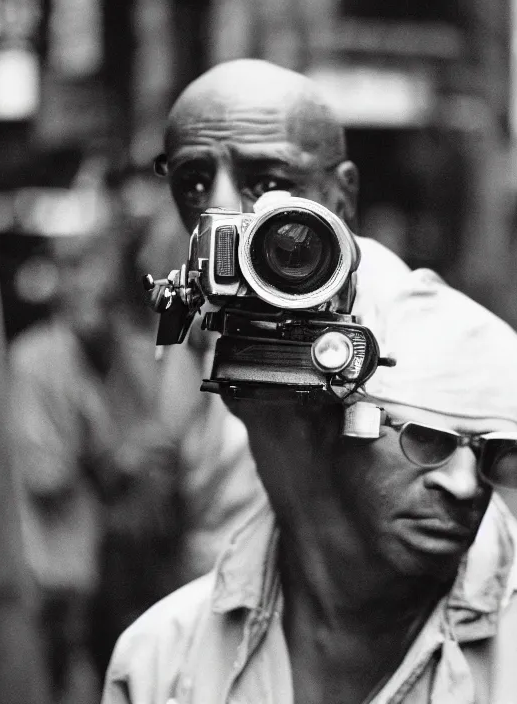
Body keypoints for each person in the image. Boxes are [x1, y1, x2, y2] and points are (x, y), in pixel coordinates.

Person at [103, 268, 517, 703]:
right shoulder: (163, 661)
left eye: (495, 455)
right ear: (335, 429)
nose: (464, 485)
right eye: (427, 441)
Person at [149, 58, 411, 584]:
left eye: (267, 181)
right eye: (195, 184)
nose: (220, 209)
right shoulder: (195, 306)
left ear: (341, 195)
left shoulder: (399, 320)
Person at [9, 209, 184, 701]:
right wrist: (117, 459)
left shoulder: (135, 351)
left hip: (138, 574)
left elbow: (168, 447)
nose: (92, 298)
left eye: (104, 288)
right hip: (67, 582)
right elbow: (44, 477)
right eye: (78, 272)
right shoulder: (37, 360)